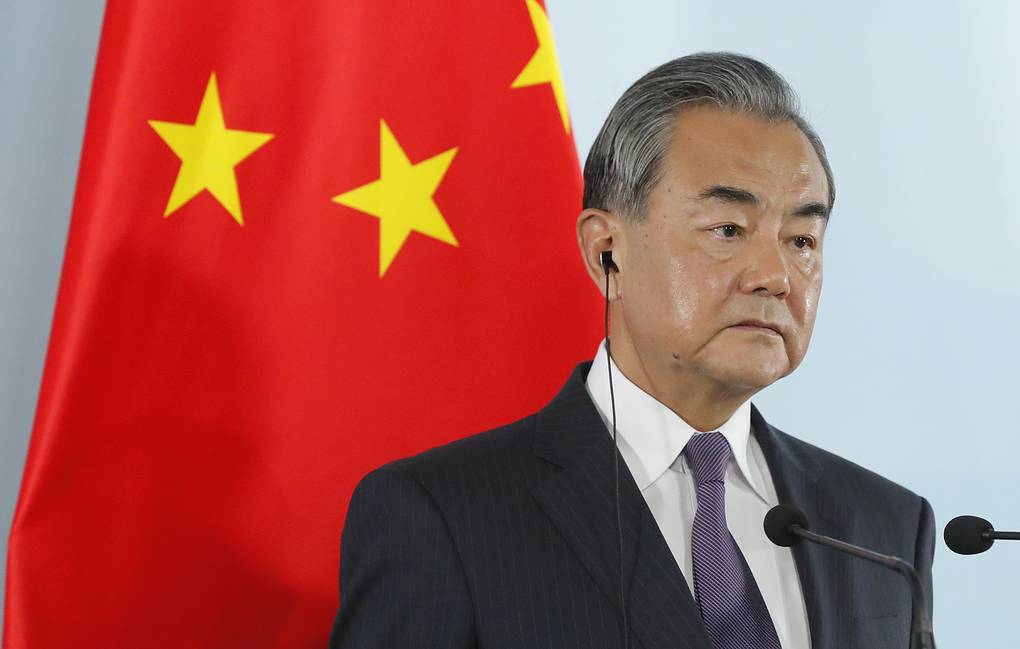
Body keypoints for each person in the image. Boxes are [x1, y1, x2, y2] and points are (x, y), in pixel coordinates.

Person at [328, 52, 935, 649]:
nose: (776, 275)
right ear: (606, 251)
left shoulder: (884, 527)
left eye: (802, 239)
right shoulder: (443, 517)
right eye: (727, 230)